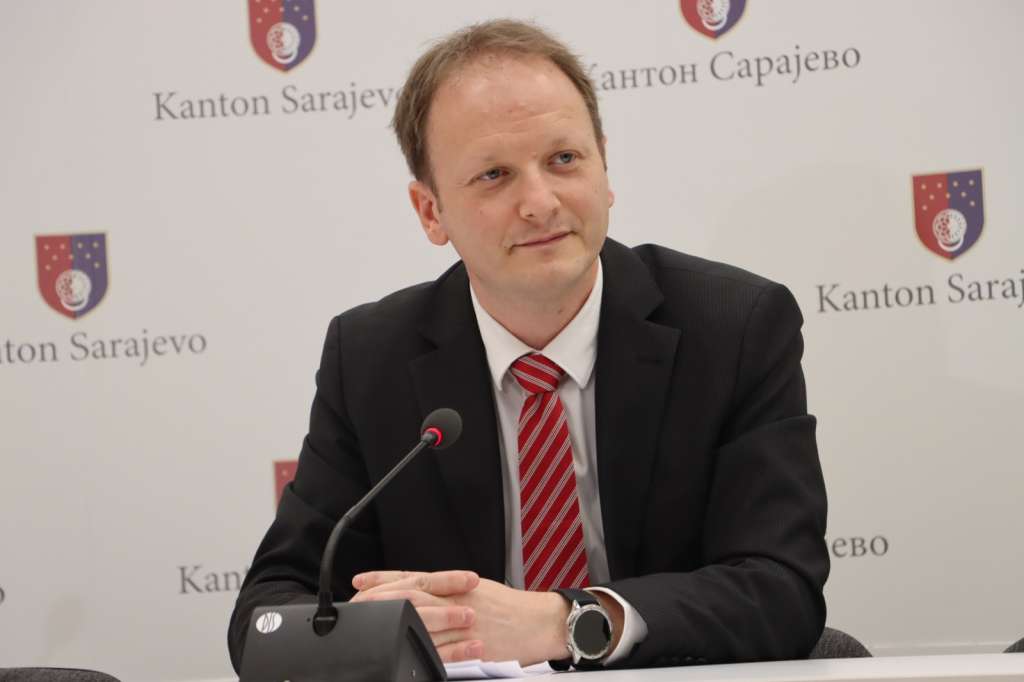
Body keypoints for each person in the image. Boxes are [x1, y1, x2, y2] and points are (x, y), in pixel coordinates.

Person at [228, 18, 828, 672]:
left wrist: (563, 620)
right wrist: (372, 624)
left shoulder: (734, 327)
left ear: (604, 168)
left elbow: (782, 591)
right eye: (494, 175)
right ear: (430, 211)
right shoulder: (371, 358)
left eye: (564, 160)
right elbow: (268, 611)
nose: (540, 203)